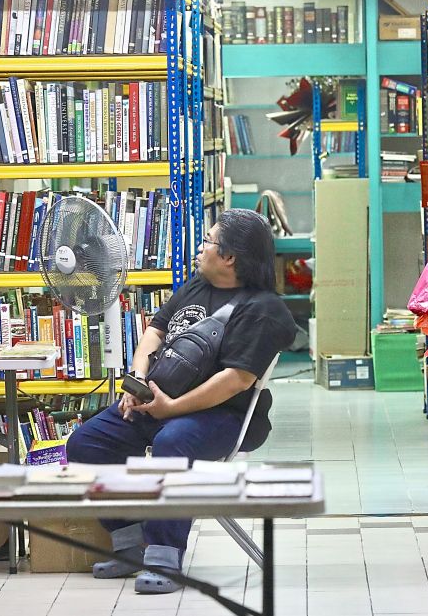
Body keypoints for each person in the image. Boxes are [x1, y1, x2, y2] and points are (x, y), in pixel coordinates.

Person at [65, 209, 295, 593]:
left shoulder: (263, 310)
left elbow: (235, 381)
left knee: (174, 441)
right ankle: (130, 542)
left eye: (208, 240)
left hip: (221, 415)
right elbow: (154, 332)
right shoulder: (195, 285)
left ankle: (164, 555)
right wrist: (136, 380)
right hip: (155, 401)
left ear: (230, 257)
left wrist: (172, 408)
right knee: (87, 444)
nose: (200, 248)